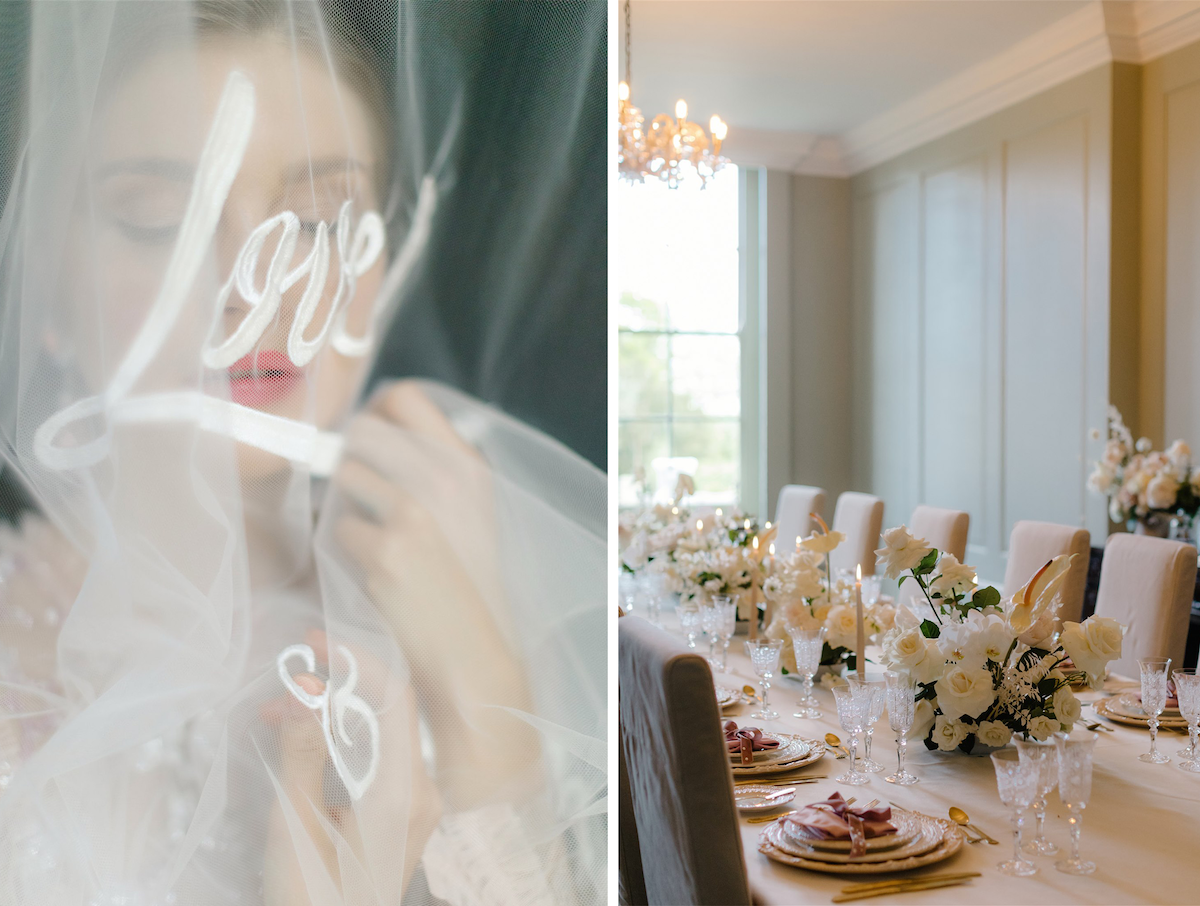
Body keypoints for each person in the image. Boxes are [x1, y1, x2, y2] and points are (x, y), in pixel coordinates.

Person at [0, 2, 606, 904]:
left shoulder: (483, 571)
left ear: (383, 269)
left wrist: (483, 704)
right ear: (42, 282)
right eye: (161, 220)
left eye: (318, 223)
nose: (256, 289)